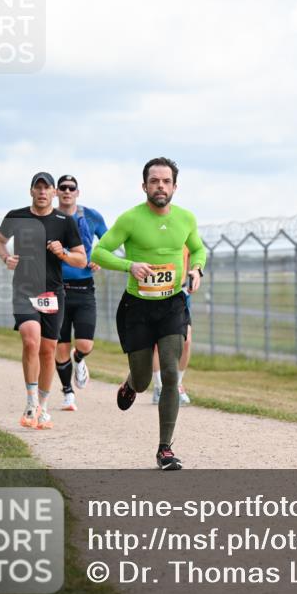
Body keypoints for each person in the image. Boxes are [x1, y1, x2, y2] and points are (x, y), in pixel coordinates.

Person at [91, 157, 206, 470]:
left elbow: (198, 248)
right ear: (144, 186)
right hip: (137, 306)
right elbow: (98, 251)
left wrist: (197, 269)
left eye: (166, 181)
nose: (160, 186)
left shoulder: (185, 218)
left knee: (170, 372)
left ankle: (165, 448)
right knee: (142, 381)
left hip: (171, 305)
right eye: (154, 181)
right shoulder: (130, 219)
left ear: (175, 187)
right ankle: (131, 383)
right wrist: (130, 265)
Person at [0, 172, 86, 429]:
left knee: (48, 351)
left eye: (47, 188)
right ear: (31, 191)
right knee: (30, 339)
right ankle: (31, 402)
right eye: (38, 187)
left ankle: (43, 408)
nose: (43, 192)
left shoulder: (65, 221)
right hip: (24, 290)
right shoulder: (16, 216)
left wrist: (63, 253)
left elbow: (81, 259)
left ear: (54, 193)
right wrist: (5, 258)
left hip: (53, 293)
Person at [53, 174, 108, 412]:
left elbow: (107, 242)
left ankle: (80, 360)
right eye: (63, 188)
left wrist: (98, 259)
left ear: (77, 192)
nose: (67, 191)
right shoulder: (49, 218)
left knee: (84, 344)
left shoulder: (91, 216)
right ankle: (67, 393)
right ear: (56, 192)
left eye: (71, 188)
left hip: (84, 289)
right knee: (60, 346)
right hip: (57, 289)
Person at [153, 245, 193, 406]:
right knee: (155, 343)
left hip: (180, 292)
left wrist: (195, 274)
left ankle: (177, 385)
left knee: (186, 340)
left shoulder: (185, 226)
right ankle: (159, 386)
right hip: (154, 290)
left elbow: (193, 255)